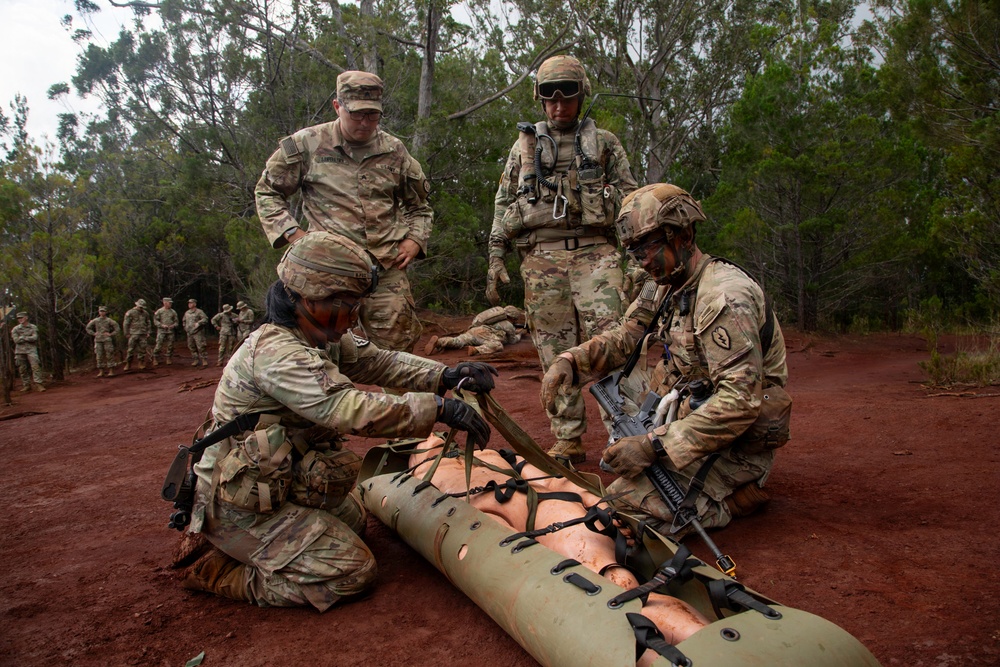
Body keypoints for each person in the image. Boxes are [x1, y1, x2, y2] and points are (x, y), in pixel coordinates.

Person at [179, 231, 497, 611]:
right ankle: (226, 572)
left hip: (277, 485)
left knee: (355, 523)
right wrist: (439, 409)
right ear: (309, 297)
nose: (354, 315)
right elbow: (346, 408)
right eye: (347, 304)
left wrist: (445, 375)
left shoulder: (318, 335)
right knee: (351, 573)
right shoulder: (278, 353)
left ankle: (258, 548)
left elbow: (381, 361)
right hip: (239, 504)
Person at [540, 184, 791, 534]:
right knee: (614, 380)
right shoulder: (663, 282)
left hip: (734, 439)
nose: (641, 259)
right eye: (633, 250)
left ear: (684, 235)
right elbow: (626, 337)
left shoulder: (723, 297)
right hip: (686, 409)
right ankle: (666, 467)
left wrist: (651, 445)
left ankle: (732, 498)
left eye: (648, 245)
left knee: (622, 510)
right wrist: (570, 360)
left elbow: (740, 401)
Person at [487, 54, 638, 465]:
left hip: (597, 256)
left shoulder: (605, 144)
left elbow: (631, 202)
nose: (558, 106)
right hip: (542, 260)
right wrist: (495, 255)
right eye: (549, 98)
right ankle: (568, 440)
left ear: (581, 95)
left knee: (611, 344)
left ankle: (624, 436)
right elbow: (504, 204)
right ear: (540, 101)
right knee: (554, 352)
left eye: (567, 97)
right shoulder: (522, 150)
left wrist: (637, 260)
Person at [255, 70, 433, 353]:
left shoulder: (394, 150)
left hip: (384, 269)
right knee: (318, 353)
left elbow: (419, 206)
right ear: (338, 107)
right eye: (356, 114)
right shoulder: (307, 144)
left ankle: (403, 400)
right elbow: (267, 191)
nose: (365, 123)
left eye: (372, 116)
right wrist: (293, 234)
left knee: (398, 351)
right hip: (326, 273)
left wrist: (415, 240)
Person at [423, 305, 525, 357]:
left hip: (475, 330)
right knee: (497, 345)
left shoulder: (494, 318)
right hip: (485, 335)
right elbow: (512, 341)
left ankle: (440, 342)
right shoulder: (508, 324)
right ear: (513, 317)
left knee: (459, 340)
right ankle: (477, 350)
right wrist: (520, 334)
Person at [10, 311, 46, 392]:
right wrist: (28, 337)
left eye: (21, 318)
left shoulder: (33, 327)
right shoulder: (16, 329)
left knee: (35, 366)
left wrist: (22, 337)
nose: (20, 320)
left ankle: (38, 384)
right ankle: (26, 385)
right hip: (20, 351)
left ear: (26, 317)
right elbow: (16, 340)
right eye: (18, 318)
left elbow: (35, 338)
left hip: (31, 350)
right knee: (22, 368)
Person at [85, 306, 121, 377]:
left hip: (107, 339)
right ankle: (101, 371)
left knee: (109, 354)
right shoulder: (95, 320)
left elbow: (117, 328)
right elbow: (88, 328)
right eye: (101, 311)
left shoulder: (109, 320)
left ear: (106, 312)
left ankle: (111, 371)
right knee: (99, 355)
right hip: (98, 340)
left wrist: (111, 334)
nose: (102, 312)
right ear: (98, 312)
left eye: (103, 311)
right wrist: (94, 333)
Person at [122, 299, 151, 371]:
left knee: (142, 349)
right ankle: (128, 363)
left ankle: (141, 363)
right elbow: (126, 323)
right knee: (130, 350)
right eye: (140, 307)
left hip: (143, 333)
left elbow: (148, 322)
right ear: (136, 305)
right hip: (133, 333)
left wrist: (148, 332)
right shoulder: (130, 312)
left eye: (142, 307)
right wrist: (126, 333)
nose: (141, 308)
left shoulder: (145, 313)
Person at [152, 297, 179, 366]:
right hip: (161, 331)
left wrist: (173, 325)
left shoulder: (173, 312)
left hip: (170, 331)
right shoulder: (159, 311)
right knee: (158, 345)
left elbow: (176, 322)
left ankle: (168, 358)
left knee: (170, 345)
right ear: (165, 303)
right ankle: (155, 358)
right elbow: (155, 321)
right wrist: (161, 325)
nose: (170, 304)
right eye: (169, 303)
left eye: (171, 303)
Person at [183, 299, 210, 367]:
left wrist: (199, 323)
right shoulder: (187, 313)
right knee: (191, 346)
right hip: (189, 333)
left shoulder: (199, 312)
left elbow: (205, 319)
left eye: (191, 303)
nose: (189, 304)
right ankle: (195, 359)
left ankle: (204, 359)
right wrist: (185, 327)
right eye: (189, 303)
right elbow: (184, 320)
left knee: (201, 346)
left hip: (198, 332)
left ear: (195, 304)